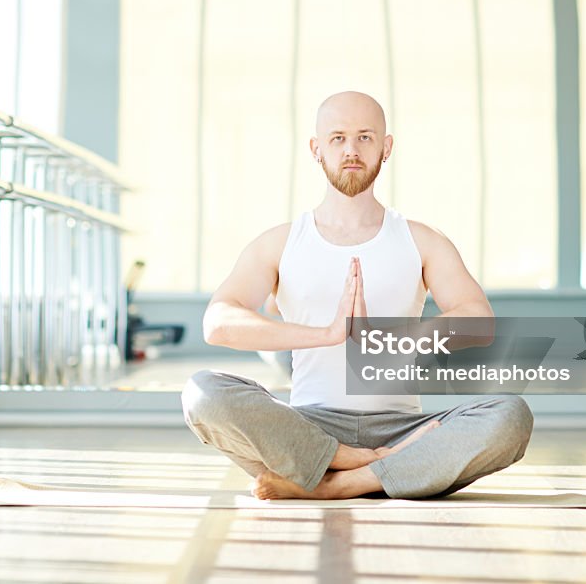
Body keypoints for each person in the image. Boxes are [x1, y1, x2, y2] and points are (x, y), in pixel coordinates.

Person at [181, 91, 533, 500]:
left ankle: (341, 482)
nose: (351, 150)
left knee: (510, 416)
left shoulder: (422, 240)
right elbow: (219, 321)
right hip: (308, 428)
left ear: (387, 147)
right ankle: (348, 460)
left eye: (365, 137)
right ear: (316, 149)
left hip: (402, 429)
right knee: (201, 393)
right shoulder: (279, 242)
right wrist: (329, 333)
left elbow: (479, 321)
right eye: (338, 138)